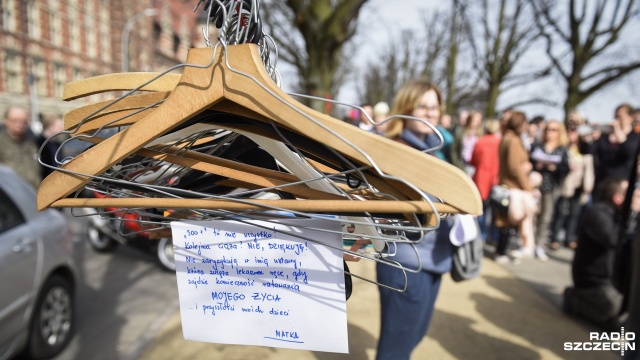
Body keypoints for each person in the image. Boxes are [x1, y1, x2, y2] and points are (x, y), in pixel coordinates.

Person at [378, 79, 453, 360]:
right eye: (423, 106)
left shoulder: (435, 147)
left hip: (434, 257)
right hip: (405, 261)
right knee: (396, 349)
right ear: (407, 107)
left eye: (435, 107)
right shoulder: (393, 149)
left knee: (414, 336)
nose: (431, 112)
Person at [564, 178, 631, 330]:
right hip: (594, 281)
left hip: (613, 281)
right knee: (621, 319)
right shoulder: (598, 213)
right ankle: (576, 301)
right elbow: (613, 239)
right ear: (618, 198)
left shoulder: (617, 214)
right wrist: (631, 216)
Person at [494, 111, 537, 264]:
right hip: (512, 186)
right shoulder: (512, 140)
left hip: (510, 184)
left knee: (509, 220)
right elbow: (514, 168)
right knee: (509, 220)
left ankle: (503, 251)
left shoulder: (510, 138)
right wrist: (527, 186)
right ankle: (501, 252)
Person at [530, 120, 570, 260]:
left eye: (554, 130)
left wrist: (556, 168)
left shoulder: (562, 148)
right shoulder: (538, 145)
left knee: (546, 217)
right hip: (535, 185)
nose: (550, 132)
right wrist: (537, 165)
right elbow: (530, 160)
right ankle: (529, 242)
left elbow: (566, 167)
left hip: (552, 186)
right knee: (532, 214)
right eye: (548, 129)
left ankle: (540, 244)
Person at [550, 123, 594, 250]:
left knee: (575, 213)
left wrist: (588, 186)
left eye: (573, 131)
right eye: (569, 131)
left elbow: (589, 169)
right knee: (560, 212)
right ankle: (554, 238)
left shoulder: (584, 149)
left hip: (579, 185)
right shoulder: (563, 149)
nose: (571, 134)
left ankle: (569, 238)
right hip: (565, 185)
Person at [592, 104, 640, 197]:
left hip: (621, 185)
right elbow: (589, 151)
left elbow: (629, 152)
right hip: (601, 183)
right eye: (615, 116)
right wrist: (590, 138)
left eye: (620, 117)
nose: (616, 120)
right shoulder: (605, 136)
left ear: (630, 117)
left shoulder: (635, 137)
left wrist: (618, 131)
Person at [469, 119, 501, 242]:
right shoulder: (499, 141)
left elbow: (473, 160)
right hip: (495, 177)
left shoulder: (480, 141)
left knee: (480, 208)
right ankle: (494, 235)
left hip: (481, 178)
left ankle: (481, 234)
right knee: (494, 208)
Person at [0, 106, 41, 188]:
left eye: (24, 121)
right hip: (12, 195)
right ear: (6, 121)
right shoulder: (1, 143)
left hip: (34, 192)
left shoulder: (32, 142)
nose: (20, 124)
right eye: (15, 121)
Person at [451, 110, 482, 176]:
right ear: (470, 120)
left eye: (478, 121)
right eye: (475, 120)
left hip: (474, 165)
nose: (476, 123)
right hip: (462, 163)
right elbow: (454, 151)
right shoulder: (460, 133)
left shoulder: (480, 134)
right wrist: (457, 164)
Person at [37, 114, 65, 178]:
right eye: (59, 126)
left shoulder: (57, 144)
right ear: (50, 126)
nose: (62, 128)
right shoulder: (39, 143)